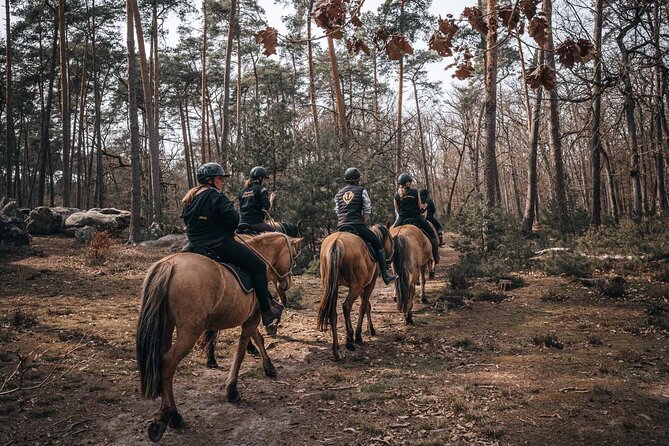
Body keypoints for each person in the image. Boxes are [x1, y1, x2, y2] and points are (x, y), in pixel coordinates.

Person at [181, 162, 283, 327]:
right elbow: (233, 219)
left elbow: (187, 220)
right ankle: (266, 310)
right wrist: (226, 229)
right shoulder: (216, 195)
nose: (223, 181)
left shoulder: (192, 196)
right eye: (220, 178)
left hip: (193, 245)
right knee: (258, 266)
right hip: (217, 244)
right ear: (210, 180)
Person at [334, 167, 396, 285]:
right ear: (358, 179)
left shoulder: (339, 193)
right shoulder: (361, 190)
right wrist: (364, 220)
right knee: (379, 246)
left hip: (342, 226)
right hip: (357, 225)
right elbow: (367, 209)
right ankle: (385, 274)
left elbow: (337, 210)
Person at [392, 173, 440, 264]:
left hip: (401, 219)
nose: (410, 183)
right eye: (410, 181)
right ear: (406, 183)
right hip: (416, 217)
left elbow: (397, 209)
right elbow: (419, 206)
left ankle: (388, 259)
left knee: (390, 236)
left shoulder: (396, 195)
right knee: (432, 234)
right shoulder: (415, 192)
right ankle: (436, 255)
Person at [238, 166, 277, 233]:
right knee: (279, 236)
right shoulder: (261, 189)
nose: (265, 181)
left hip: (241, 224)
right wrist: (271, 199)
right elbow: (268, 208)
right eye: (264, 179)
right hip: (256, 224)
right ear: (260, 178)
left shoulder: (242, 192)